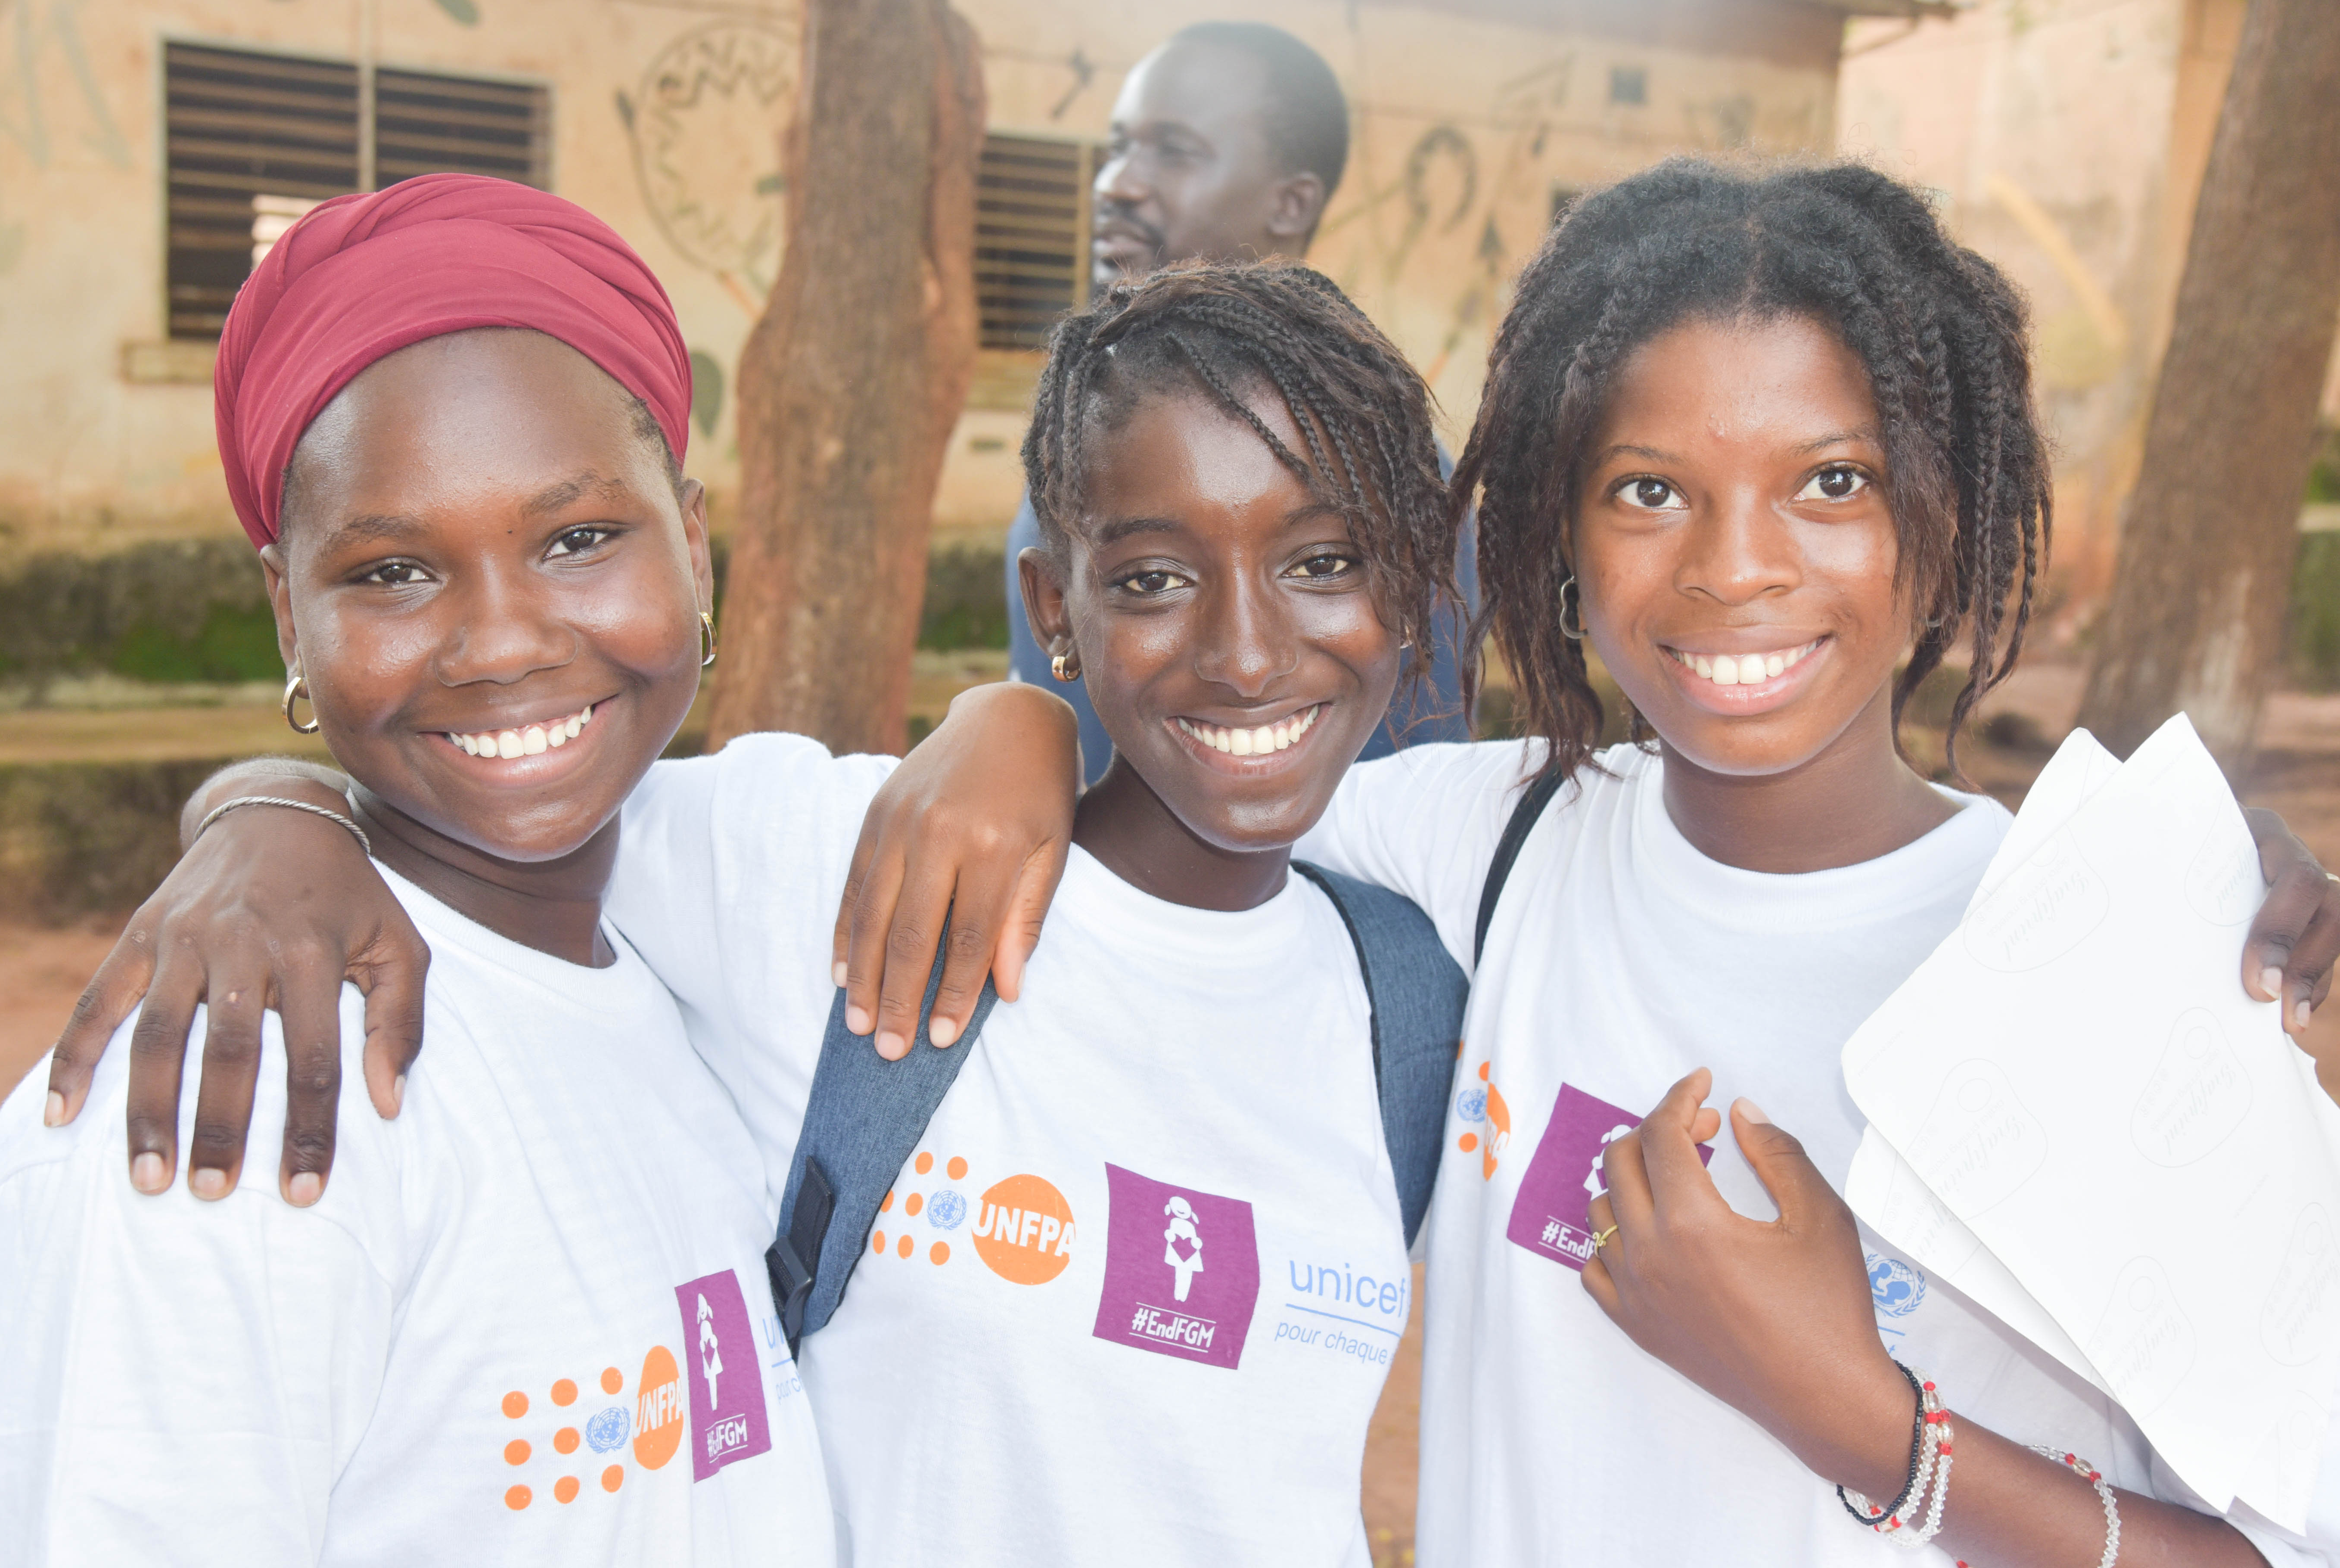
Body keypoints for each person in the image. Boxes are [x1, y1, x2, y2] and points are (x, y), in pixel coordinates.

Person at [847, 159, 2340, 1565]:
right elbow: (1184, 779)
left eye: (1829, 482)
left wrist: (1872, 1427)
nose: (1732, 564)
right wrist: (1014, 727)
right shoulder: (1478, 842)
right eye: (1647, 489)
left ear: (1941, 524)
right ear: (1556, 537)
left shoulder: (2120, 962)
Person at [47, 259, 1470, 1563]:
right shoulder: (817, 861)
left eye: (1324, 561)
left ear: (1407, 591)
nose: (1240, 648)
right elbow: (491, 807)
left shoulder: (1415, 987)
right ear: (1054, 599)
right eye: (1152, 578)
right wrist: (267, 810)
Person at [0, 175, 846, 1564]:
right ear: (285, 616)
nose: (499, 643)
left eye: (580, 539)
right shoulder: (231, 1098)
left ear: (695, 545)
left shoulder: (688, 961)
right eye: (390, 573)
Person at [1005, 20, 1470, 776]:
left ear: (1289, 205)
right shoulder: (1084, 433)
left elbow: (1413, 781)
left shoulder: (1380, 465)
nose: (1118, 181)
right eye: (1121, 144)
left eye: (1175, 151)